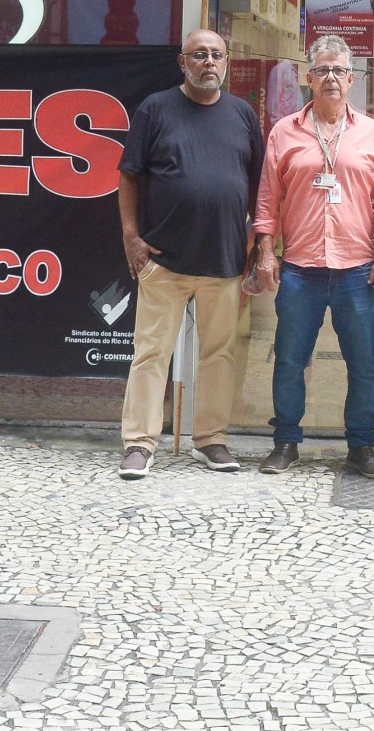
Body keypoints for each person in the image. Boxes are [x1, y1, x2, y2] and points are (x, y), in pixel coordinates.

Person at [250, 35, 374, 478]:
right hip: (300, 269)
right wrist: (265, 251)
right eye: (322, 70)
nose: (330, 77)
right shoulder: (284, 131)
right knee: (289, 359)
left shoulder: (373, 132)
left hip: (357, 269)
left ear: (351, 79)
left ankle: (362, 447)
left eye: (338, 70)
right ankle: (286, 442)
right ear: (309, 77)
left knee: (363, 362)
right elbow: (267, 201)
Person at [114, 29, 263, 479]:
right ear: (183, 63)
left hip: (224, 260)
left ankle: (211, 439)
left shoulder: (242, 114)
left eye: (217, 55)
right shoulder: (155, 109)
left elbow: (258, 184)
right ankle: (139, 443)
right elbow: (129, 175)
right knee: (151, 354)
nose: (209, 62)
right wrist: (131, 237)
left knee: (219, 355)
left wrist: (256, 240)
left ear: (227, 62)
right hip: (164, 259)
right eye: (199, 55)